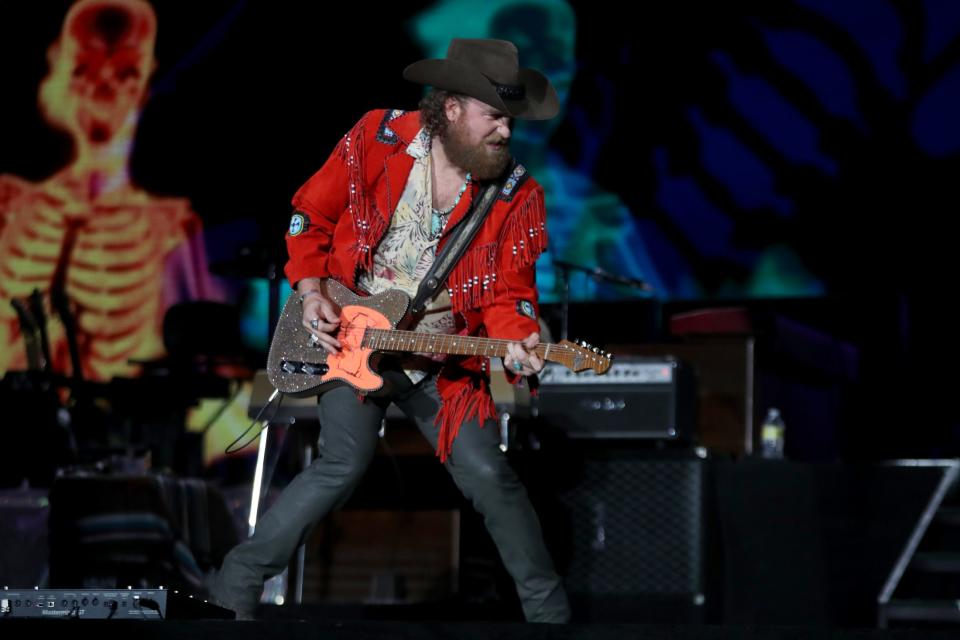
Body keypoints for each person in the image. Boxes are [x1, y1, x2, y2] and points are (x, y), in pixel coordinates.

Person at [208, 38, 570, 623]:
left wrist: (520, 343)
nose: (505, 131)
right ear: (452, 108)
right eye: (494, 116)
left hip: (438, 357)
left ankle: (551, 618)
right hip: (354, 337)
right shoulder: (379, 138)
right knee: (341, 465)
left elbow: (510, 296)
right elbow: (310, 216)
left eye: (509, 119)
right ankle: (234, 586)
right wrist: (310, 293)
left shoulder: (515, 195)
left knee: (488, 475)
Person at [0, 0, 218, 381]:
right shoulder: (11, 204)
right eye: (85, 70)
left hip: (126, 422)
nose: (103, 89)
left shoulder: (171, 226)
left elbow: (205, 363)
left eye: (124, 73)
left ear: (143, 83)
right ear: (66, 76)